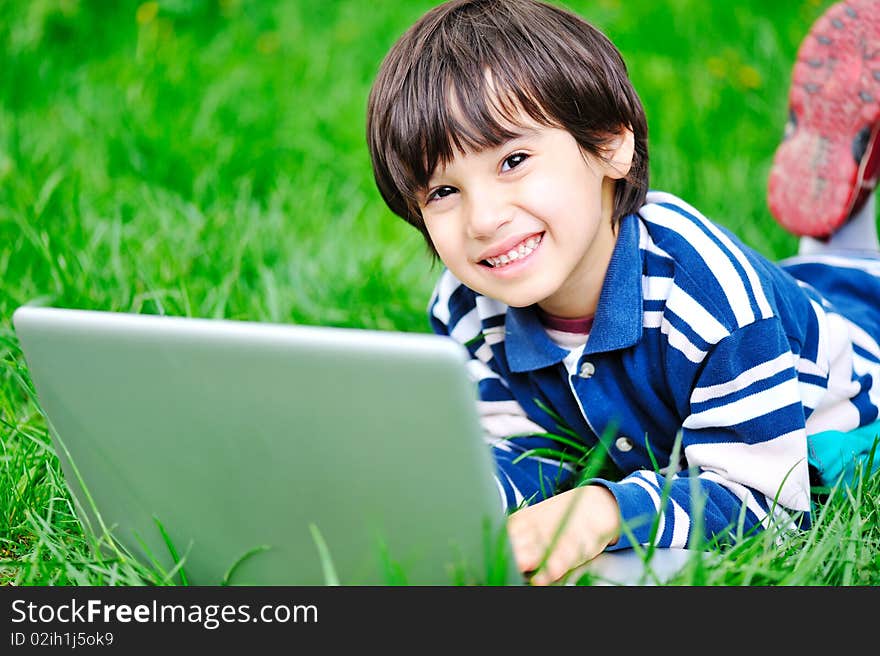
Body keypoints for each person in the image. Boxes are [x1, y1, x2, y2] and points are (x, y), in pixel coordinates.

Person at [365, 0, 880, 585]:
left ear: (612, 146)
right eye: (442, 192)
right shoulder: (466, 307)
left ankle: (846, 205)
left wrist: (607, 509)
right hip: (776, 306)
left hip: (851, 360)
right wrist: (466, 501)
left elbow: (767, 503)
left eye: (512, 160)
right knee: (806, 285)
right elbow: (525, 444)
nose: (482, 220)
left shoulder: (710, 299)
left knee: (849, 293)